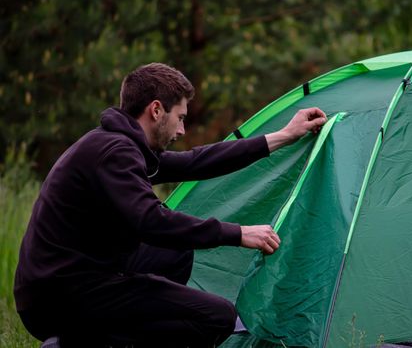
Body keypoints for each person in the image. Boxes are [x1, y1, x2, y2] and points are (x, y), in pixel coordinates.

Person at [14, 62, 327, 347]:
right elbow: (151, 221)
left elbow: (197, 162)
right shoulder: (114, 153)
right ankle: (75, 342)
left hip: (78, 278)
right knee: (216, 317)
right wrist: (238, 233)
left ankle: (94, 338)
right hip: (58, 296)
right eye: (180, 118)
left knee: (173, 253)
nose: (181, 130)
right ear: (155, 111)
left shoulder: (121, 146)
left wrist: (283, 136)